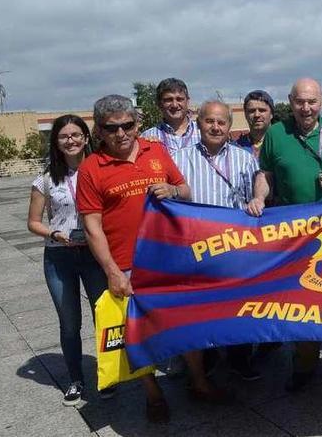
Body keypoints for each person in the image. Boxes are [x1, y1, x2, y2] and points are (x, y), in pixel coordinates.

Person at [77, 95, 226, 423]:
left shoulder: (155, 151)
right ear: (98, 131)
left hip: (169, 258)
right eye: (111, 128)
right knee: (137, 332)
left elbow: (185, 190)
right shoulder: (91, 168)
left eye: (127, 125)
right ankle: (153, 395)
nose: (120, 133)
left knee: (185, 323)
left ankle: (199, 381)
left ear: (138, 124)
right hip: (126, 265)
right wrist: (112, 271)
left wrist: (172, 191)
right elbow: (92, 227)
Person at [246, 78, 322, 391]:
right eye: (300, 102)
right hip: (293, 234)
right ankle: (304, 363)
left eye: (312, 102)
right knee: (301, 301)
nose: (306, 108)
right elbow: (265, 174)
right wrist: (259, 197)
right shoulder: (276, 134)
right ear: (290, 101)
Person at [173, 100, 263, 381]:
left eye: (221, 122)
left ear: (229, 126)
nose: (215, 127)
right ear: (199, 122)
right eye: (209, 121)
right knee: (202, 308)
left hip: (233, 249)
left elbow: (253, 200)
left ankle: (240, 358)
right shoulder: (178, 158)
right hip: (195, 249)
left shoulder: (244, 158)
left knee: (239, 306)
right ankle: (207, 357)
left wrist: (255, 203)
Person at [26, 115, 107, 406]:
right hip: (59, 256)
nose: (70, 140)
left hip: (94, 253)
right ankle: (76, 379)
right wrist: (54, 233)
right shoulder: (46, 179)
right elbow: (33, 222)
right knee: (69, 321)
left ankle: (106, 374)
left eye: (76, 135)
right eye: (64, 136)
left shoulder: (101, 170)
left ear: (86, 138)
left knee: (104, 317)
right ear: (56, 142)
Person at [140, 78, 201, 153]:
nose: (175, 105)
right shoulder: (147, 137)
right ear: (159, 104)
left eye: (179, 99)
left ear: (187, 101)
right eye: (168, 100)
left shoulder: (202, 133)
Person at [235, 90, 275, 158]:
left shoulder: (283, 144)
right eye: (252, 111)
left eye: (262, 110)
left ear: (271, 114)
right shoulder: (235, 148)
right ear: (245, 114)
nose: (257, 115)